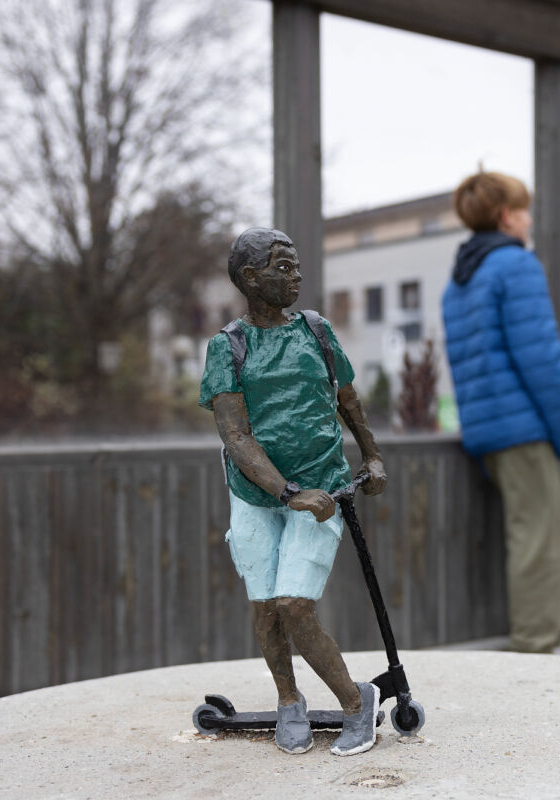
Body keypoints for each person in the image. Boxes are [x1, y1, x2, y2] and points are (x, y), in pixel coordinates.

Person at [199, 227, 389, 755]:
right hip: (259, 495)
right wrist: (286, 492)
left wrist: (371, 454)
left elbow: (347, 399)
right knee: (265, 609)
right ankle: (289, 701)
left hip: (322, 488)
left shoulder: (316, 331)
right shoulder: (227, 347)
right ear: (249, 279)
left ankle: (356, 703)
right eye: (283, 267)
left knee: (294, 606)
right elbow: (236, 437)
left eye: (297, 266)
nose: (296, 276)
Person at [441, 171, 560, 654]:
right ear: (507, 216)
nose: (529, 220)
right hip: (523, 429)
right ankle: (540, 648)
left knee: (525, 534)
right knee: (543, 540)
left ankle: (536, 643)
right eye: (525, 211)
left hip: (487, 430)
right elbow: (542, 360)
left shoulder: (459, 279)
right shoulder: (515, 265)